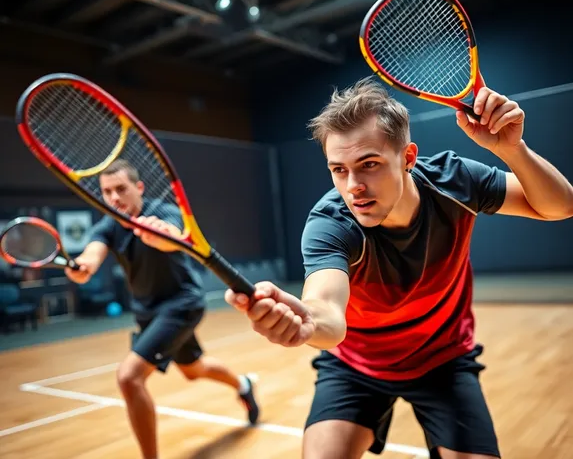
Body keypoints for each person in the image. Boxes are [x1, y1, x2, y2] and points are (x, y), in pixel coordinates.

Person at [224, 77, 573, 459]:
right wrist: (306, 321)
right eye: (338, 170)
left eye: (368, 164)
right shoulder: (330, 224)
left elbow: (560, 206)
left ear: (408, 158)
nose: (353, 185)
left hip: (443, 360)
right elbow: (327, 312)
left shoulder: (455, 182)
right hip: (357, 369)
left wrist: (514, 150)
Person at [65, 159, 259, 459]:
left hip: (181, 304)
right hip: (149, 313)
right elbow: (93, 251)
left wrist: (163, 236)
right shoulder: (109, 225)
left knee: (129, 377)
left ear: (138, 188)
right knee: (194, 370)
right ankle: (243, 385)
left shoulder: (162, 213)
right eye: (107, 192)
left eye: (121, 189)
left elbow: (176, 237)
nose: (114, 198)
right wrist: (85, 267)